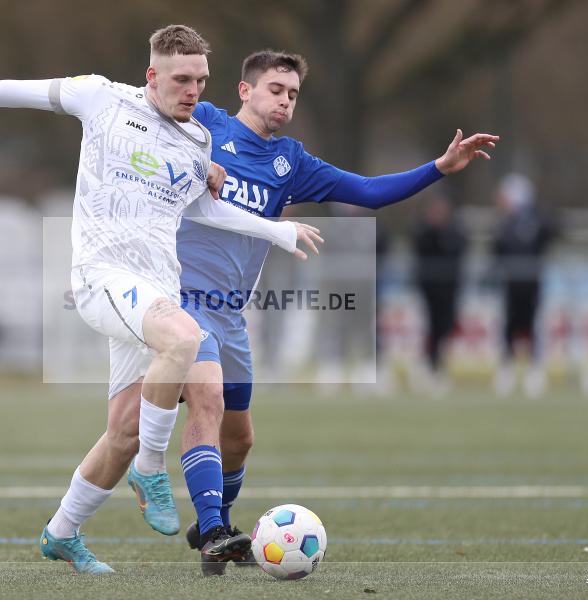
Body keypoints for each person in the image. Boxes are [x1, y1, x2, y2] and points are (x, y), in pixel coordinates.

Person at [0, 26, 322, 574]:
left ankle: (61, 532)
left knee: (122, 429)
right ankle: (152, 469)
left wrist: (276, 232)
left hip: (155, 288)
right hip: (102, 276)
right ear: (152, 76)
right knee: (187, 339)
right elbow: (19, 88)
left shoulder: (198, 141)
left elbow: (202, 210)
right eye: (181, 79)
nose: (192, 91)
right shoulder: (102, 98)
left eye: (200, 80)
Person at [173, 50, 498, 574]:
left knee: (240, 438)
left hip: (231, 315)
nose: (285, 101)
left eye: (294, 94)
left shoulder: (291, 163)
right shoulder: (204, 124)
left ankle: (219, 523)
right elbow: (149, 117)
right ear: (244, 91)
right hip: (179, 300)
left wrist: (440, 168)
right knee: (205, 402)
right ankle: (212, 531)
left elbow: (367, 192)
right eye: (276, 89)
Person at [489, 173, 557, 398]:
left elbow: (553, 233)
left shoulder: (535, 220)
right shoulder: (504, 224)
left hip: (532, 283)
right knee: (510, 325)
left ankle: (534, 370)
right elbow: (497, 250)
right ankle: (506, 368)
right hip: (511, 284)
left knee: (532, 325)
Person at [410, 194, 467, 396]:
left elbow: (458, 252)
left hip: (449, 290)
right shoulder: (424, 232)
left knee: (445, 328)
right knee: (429, 329)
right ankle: (426, 367)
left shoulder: (455, 232)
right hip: (428, 290)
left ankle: (439, 368)